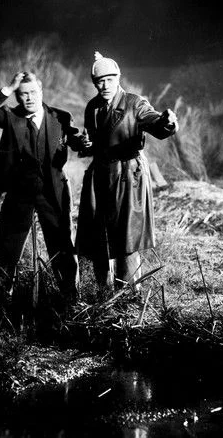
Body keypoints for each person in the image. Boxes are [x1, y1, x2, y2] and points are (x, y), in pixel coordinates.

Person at [71, 52, 178, 291]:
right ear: (94, 83)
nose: (105, 85)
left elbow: (155, 123)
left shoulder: (134, 103)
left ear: (118, 78)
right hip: (101, 175)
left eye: (109, 80)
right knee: (100, 235)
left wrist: (167, 122)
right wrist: (85, 145)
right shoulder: (92, 107)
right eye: (100, 81)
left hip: (129, 175)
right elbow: (92, 142)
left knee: (127, 237)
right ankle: (103, 292)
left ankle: (129, 294)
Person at [0, 72, 79, 312]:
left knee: (62, 244)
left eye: (33, 92)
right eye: (23, 94)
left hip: (52, 191)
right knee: (7, 248)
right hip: (19, 192)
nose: (29, 98)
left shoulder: (60, 117)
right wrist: (9, 87)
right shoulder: (11, 116)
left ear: (41, 92)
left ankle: (70, 299)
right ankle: (2, 301)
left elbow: (75, 141)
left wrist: (83, 143)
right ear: (17, 96)